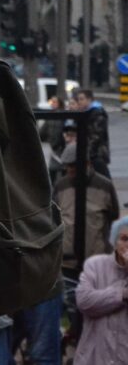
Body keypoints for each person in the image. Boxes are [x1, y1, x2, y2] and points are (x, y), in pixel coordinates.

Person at [54, 142, 121, 272]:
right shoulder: (61, 186)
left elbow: (114, 215)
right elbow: (53, 218)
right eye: (68, 165)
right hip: (67, 263)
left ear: (87, 163)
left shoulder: (105, 186)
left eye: (74, 165)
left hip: (97, 261)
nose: (70, 169)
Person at [72, 215, 128, 365]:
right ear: (114, 241)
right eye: (124, 239)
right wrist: (122, 294)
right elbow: (84, 301)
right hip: (93, 358)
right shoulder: (95, 265)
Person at [75, 88, 111, 177]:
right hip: (91, 153)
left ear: (89, 99)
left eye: (81, 99)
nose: (79, 102)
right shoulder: (85, 113)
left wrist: (88, 153)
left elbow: (96, 136)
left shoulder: (97, 113)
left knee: (103, 180)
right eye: (78, 99)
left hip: (97, 154)